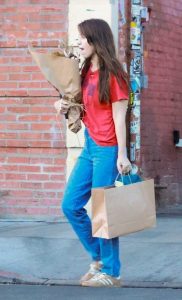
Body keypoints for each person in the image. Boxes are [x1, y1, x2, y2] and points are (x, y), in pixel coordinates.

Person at [60, 18, 131, 287]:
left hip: (108, 149)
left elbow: (119, 118)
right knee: (70, 205)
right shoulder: (85, 71)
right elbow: (83, 107)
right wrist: (65, 106)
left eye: (82, 38)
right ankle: (98, 258)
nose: (79, 42)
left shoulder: (113, 76)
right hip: (90, 146)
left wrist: (122, 155)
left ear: (95, 40)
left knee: (104, 212)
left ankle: (112, 273)